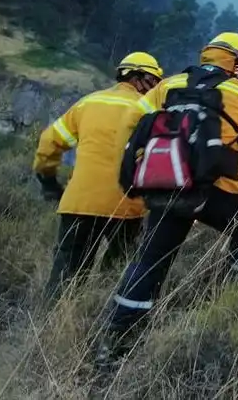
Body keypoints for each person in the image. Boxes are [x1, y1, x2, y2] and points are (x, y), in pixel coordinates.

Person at [94, 32, 238, 366]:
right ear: (236, 63)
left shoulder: (170, 84)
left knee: (150, 260)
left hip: (165, 182)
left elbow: (132, 121)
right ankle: (227, 298)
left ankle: (116, 345)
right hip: (213, 188)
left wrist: (137, 165)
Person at [33, 51, 164, 305]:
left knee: (66, 274)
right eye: (154, 81)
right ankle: (98, 318)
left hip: (79, 202)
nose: (156, 87)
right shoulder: (149, 111)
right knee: (117, 274)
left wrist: (48, 181)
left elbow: (49, 142)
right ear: (140, 78)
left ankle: (51, 325)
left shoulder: (88, 103)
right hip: (125, 206)